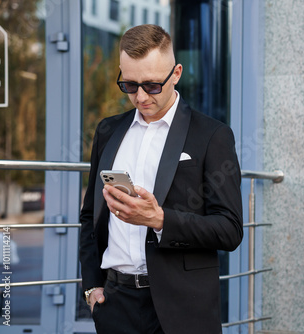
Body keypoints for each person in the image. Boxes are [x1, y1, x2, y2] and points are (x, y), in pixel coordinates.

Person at [79, 24, 243, 334]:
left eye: (152, 85)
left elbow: (230, 230)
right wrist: (92, 287)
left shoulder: (212, 136)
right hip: (115, 304)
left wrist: (160, 219)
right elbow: (90, 216)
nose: (140, 97)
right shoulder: (107, 131)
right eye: (129, 85)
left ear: (176, 73)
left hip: (183, 309)